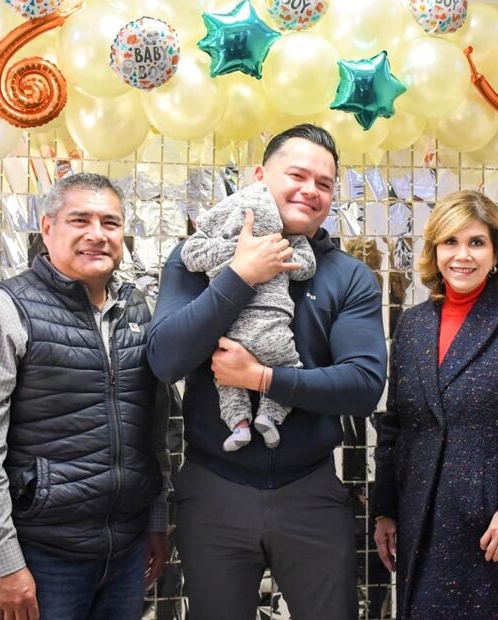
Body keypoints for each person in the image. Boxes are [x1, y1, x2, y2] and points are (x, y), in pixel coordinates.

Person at [148, 124, 387, 620]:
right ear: (259, 176)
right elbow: (166, 359)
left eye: (324, 183)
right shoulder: (199, 257)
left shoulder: (348, 276)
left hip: (311, 490)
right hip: (215, 488)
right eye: (297, 175)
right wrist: (240, 275)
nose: (310, 190)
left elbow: (363, 386)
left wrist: (262, 379)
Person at [0, 173, 171, 620]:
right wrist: (4, 564)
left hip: (126, 552)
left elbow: (152, 428)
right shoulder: (3, 310)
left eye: (110, 222)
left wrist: (154, 520)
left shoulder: (137, 308)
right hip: (40, 556)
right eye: (80, 220)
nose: (97, 234)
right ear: (48, 228)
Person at [370, 190, 498, 619]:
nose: (462, 255)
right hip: (418, 521)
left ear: (495, 253)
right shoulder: (411, 326)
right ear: (435, 251)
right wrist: (385, 511)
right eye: (450, 241)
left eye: (476, 242)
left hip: (489, 532)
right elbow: (395, 427)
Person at [180, 181, 317, 451]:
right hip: (273, 328)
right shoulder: (280, 243)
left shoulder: (219, 243)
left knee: (226, 380)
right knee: (287, 370)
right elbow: (306, 268)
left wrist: (231, 249)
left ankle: (239, 425)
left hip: (230, 334)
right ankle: (269, 416)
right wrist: (272, 251)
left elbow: (189, 256)